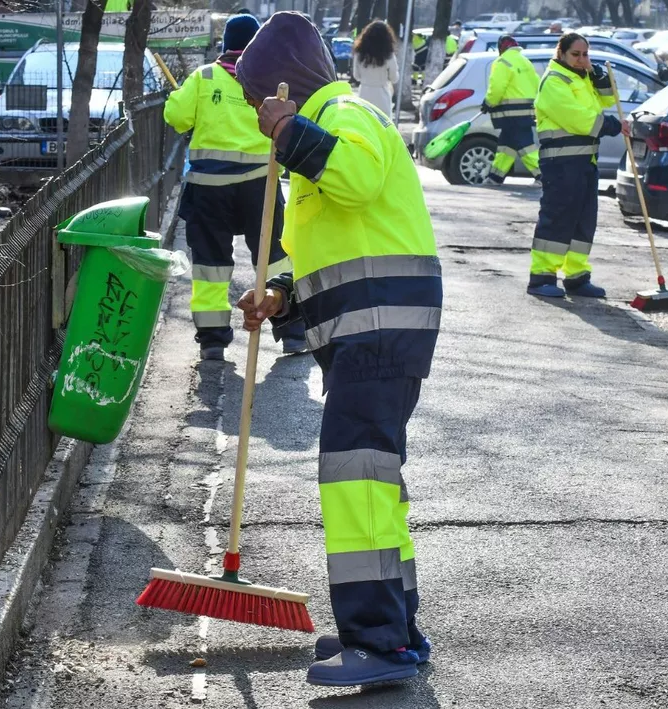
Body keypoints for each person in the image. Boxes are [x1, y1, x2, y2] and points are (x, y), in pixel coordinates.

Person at [235, 10, 442, 687]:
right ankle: (397, 627)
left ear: (284, 90)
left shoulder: (348, 115)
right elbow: (331, 249)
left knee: (355, 473)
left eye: (259, 100)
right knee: (372, 475)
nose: (256, 115)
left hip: (380, 327)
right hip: (372, 326)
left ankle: (378, 640)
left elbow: (352, 179)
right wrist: (282, 294)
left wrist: (291, 133)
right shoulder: (333, 125)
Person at [163, 13, 307, 359]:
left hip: (210, 187)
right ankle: (291, 331)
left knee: (211, 262)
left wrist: (179, 98)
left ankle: (212, 339)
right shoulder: (271, 82)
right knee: (274, 258)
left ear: (225, 44)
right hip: (261, 186)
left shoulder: (205, 76)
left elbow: (176, 117)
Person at [527, 32, 624, 299]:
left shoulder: (581, 78)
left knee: (584, 222)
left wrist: (596, 74)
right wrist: (612, 126)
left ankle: (577, 277)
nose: (581, 59)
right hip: (561, 163)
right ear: (561, 53)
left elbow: (608, 99)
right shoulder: (554, 81)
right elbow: (577, 118)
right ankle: (541, 277)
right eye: (576, 54)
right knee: (557, 219)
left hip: (584, 162)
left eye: (585, 54)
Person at [480, 35, 540, 185]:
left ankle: (543, 175)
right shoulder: (525, 61)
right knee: (506, 146)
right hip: (527, 110)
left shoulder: (502, 62)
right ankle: (495, 177)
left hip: (511, 112)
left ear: (501, 48)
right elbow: (536, 83)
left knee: (525, 145)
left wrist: (489, 102)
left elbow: (497, 87)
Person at [351, 20, 399, 118]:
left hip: (364, 93)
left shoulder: (359, 54)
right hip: (382, 94)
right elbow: (394, 78)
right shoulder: (388, 55)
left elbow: (356, 76)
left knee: (366, 124)